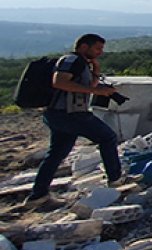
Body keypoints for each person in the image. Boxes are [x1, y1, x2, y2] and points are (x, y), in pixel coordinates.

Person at [26, 34, 128, 207]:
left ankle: (38, 195)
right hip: (70, 113)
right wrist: (96, 92)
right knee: (107, 137)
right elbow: (59, 82)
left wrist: (95, 71)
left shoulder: (81, 63)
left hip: (60, 114)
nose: (100, 52)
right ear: (83, 47)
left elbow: (91, 86)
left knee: (56, 154)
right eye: (97, 48)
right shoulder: (71, 60)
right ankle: (115, 179)